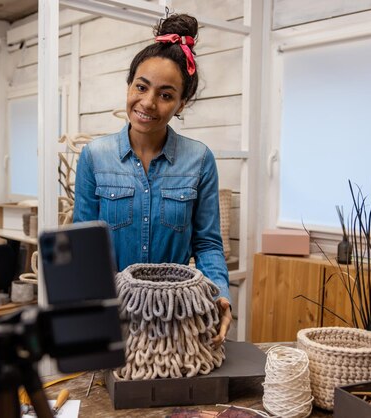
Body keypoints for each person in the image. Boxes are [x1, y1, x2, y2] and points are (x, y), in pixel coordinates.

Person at [73, 13, 231, 347]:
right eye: (141, 87)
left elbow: (207, 244)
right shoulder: (94, 156)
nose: (148, 103)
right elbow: (84, 245)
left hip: (175, 317)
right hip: (112, 318)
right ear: (129, 86)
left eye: (165, 94)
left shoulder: (199, 160)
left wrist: (221, 294)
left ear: (181, 104)